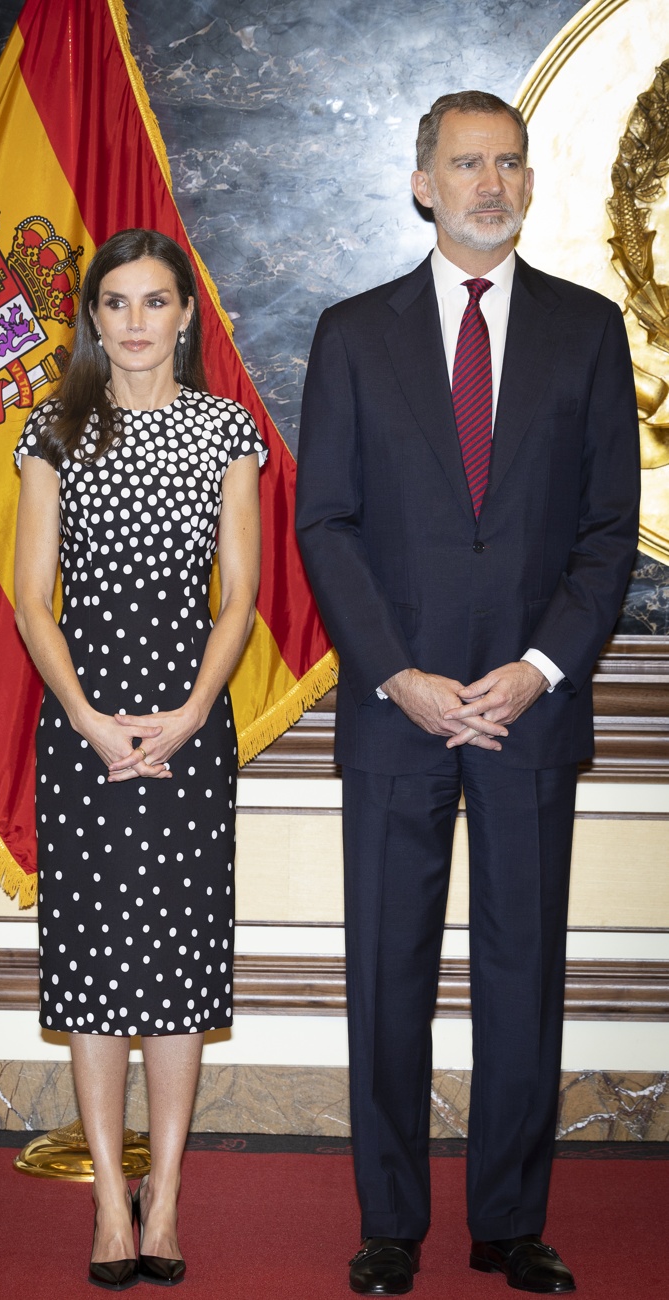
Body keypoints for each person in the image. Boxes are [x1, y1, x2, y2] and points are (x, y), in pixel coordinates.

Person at [296, 91, 640, 1296]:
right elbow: (324, 522)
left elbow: (608, 532)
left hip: (529, 711)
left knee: (521, 973)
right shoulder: (352, 333)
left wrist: (538, 668)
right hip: (399, 711)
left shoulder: (591, 332)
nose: (490, 184)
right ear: (422, 183)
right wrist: (398, 672)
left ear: (530, 184)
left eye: (509, 163)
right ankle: (389, 1220)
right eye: (465, 163)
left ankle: (508, 1222)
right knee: (387, 973)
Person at [14, 227, 265, 1290]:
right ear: (92, 317)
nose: (132, 322)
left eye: (153, 301)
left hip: (189, 727)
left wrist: (191, 712)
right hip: (82, 732)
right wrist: (87, 717)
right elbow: (33, 599)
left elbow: (240, 595)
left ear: (183, 315)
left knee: (174, 961)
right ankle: (109, 1208)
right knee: (94, 965)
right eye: (113, 303)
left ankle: (165, 1196)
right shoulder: (54, 428)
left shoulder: (226, 430)